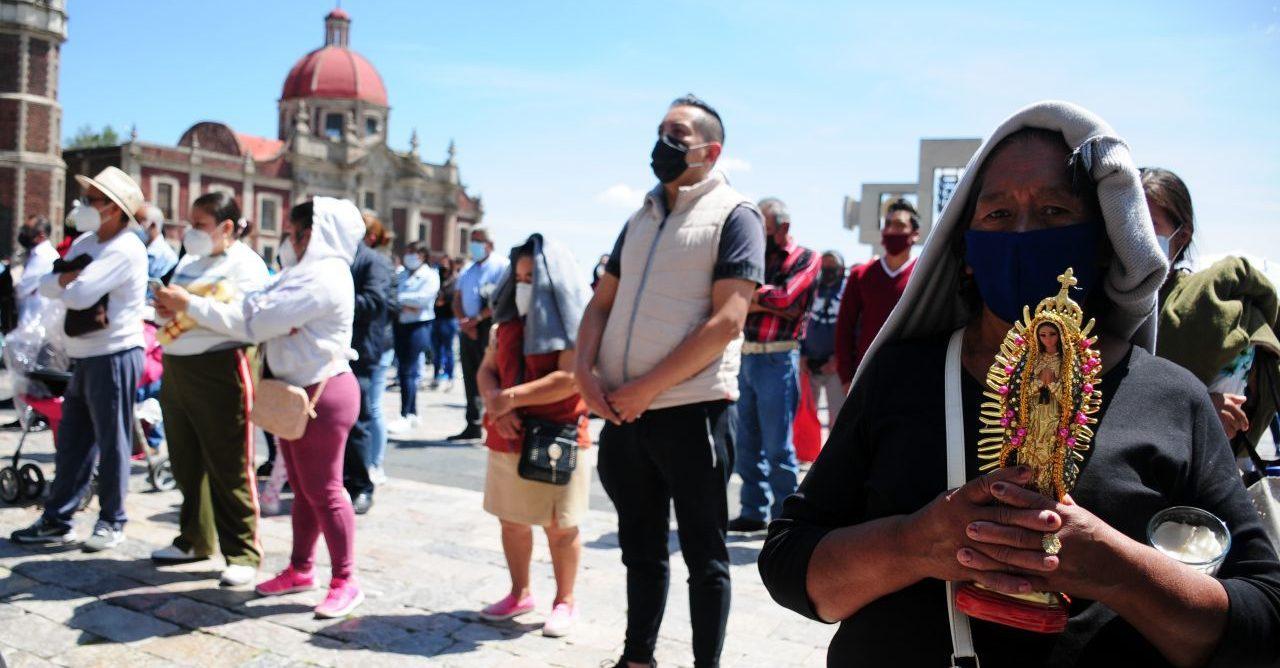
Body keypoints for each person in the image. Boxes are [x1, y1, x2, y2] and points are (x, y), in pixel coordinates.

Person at [757, 102, 1280, 666]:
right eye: (998, 215)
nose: (1025, 232)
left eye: (1055, 211)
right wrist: (915, 543)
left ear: (1103, 243)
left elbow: (1264, 621)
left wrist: (1115, 568)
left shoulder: (1172, 399)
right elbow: (790, 563)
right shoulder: (902, 376)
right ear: (966, 254)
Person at [577, 94, 764, 668]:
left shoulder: (737, 215)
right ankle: (638, 658)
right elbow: (600, 304)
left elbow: (727, 320)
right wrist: (585, 375)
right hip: (623, 414)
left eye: (676, 133)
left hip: (691, 412)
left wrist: (646, 388)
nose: (662, 142)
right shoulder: (639, 218)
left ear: (711, 149)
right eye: (659, 130)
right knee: (640, 549)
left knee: (705, 556)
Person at [155, 197, 365, 618]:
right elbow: (254, 309)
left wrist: (199, 306)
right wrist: (248, 310)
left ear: (312, 234)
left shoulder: (324, 277)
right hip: (291, 393)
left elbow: (254, 321)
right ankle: (301, 568)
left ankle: (346, 580)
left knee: (325, 490)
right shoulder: (302, 273)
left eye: (293, 232)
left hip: (322, 394)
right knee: (304, 491)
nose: (286, 239)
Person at [10, 166, 148, 552]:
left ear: (116, 210)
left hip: (115, 353)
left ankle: (112, 519)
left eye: (96, 200)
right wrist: (71, 278)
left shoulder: (126, 247)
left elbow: (76, 293)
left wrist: (70, 279)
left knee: (113, 440)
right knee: (73, 441)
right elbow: (50, 284)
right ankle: (59, 518)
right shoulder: (89, 242)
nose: (87, 206)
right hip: (84, 354)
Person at [149, 192, 270, 586]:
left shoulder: (247, 265)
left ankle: (242, 553)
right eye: (190, 224)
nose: (191, 232)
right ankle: (194, 538)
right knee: (186, 461)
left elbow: (243, 322)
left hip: (221, 368)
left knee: (229, 462)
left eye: (200, 225)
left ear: (227, 228)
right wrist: (165, 307)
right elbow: (174, 307)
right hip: (178, 366)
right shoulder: (188, 261)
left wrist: (188, 306)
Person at [476, 235, 592, 638]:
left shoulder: (574, 325)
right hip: (507, 436)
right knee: (511, 521)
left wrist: (507, 400)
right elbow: (487, 368)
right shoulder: (505, 323)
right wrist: (493, 401)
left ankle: (565, 600)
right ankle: (519, 592)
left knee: (561, 527)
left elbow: (568, 379)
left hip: (556, 438)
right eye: (520, 277)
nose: (524, 285)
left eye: (533, 278)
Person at [1144, 167, 1279, 451]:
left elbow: (1237, 411)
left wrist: (1207, 409)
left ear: (1181, 237)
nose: (1134, 233)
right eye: (1126, 221)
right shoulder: (1093, 301)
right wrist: (1197, 408)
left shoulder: (1214, 310)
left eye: (1149, 224)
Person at [728, 197, 819, 534]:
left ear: (782, 226)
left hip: (778, 357)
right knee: (747, 443)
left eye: (764, 227)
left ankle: (786, 516)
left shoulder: (806, 257)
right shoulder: (756, 254)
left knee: (778, 444)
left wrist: (754, 299)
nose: (758, 234)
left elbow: (787, 299)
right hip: (747, 354)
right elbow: (739, 296)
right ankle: (753, 511)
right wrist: (768, 302)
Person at [833, 197, 920, 389]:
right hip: (867, 375)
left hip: (912, 375)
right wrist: (846, 377)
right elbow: (844, 329)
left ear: (915, 234)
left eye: (899, 225)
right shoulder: (861, 275)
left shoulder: (924, 275)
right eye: (887, 224)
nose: (890, 230)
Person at [343, 213, 393, 514]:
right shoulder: (335, 260)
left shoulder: (372, 261)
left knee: (359, 420)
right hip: (334, 351)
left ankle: (361, 485)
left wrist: (333, 299)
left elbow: (376, 303)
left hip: (361, 351)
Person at [451, 226, 509, 441]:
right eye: (472, 240)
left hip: (488, 327)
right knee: (470, 376)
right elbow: (457, 297)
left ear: (490, 244)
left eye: (478, 240)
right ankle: (472, 423)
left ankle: (493, 422)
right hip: (467, 327)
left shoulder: (501, 266)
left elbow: (500, 300)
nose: (473, 244)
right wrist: (464, 320)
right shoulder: (467, 269)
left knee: (492, 376)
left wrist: (477, 320)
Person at [387, 242, 437, 434]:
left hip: (418, 326)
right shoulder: (402, 274)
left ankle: (406, 413)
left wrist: (402, 300)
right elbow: (392, 295)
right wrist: (404, 302)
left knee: (408, 370)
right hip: (401, 324)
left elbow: (421, 300)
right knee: (404, 370)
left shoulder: (430, 275)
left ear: (422, 255)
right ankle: (413, 412)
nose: (409, 256)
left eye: (413, 253)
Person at [799, 250, 847, 432]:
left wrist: (838, 359)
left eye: (831, 266)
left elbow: (854, 328)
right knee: (806, 414)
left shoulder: (848, 290)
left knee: (838, 416)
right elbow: (801, 320)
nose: (827, 270)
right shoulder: (813, 289)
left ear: (841, 269)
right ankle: (809, 453)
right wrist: (802, 353)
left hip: (835, 365)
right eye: (823, 266)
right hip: (809, 362)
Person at [363, 219, 394, 486]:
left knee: (372, 407)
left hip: (377, 346)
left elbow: (385, 305)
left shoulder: (378, 263)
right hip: (366, 345)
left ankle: (375, 463)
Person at [15, 215, 58, 327]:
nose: (24, 233)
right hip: (30, 324)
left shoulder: (43, 256)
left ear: (41, 235)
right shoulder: (36, 254)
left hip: (35, 325)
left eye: (28, 230)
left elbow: (21, 288)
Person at [430, 254, 459, 391]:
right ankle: (436, 375)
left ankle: (449, 376)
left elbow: (451, 298)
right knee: (436, 351)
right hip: (436, 318)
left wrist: (443, 300)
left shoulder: (454, 279)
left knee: (448, 350)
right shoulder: (437, 277)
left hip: (449, 319)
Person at [139, 203, 179, 281]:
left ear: (153, 225)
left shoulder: (167, 257)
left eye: (140, 221)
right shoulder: (140, 248)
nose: (137, 225)